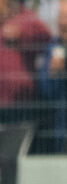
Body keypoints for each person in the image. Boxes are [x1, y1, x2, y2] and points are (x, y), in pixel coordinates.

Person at [38, 1, 67, 152]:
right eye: (61, 16)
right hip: (60, 128)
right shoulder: (54, 48)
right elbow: (46, 91)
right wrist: (54, 73)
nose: (64, 22)